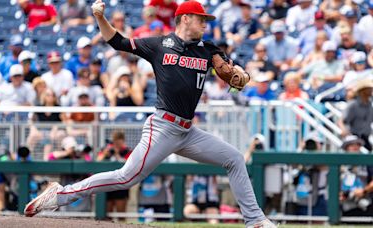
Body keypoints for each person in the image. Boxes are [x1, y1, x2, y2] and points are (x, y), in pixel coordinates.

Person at [24, 1, 275, 227]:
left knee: (234, 159)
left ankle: (255, 221)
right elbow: (118, 42)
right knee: (126, 177)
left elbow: (234, 74)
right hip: (163, 127)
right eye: (201, 19)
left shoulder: (208, 50)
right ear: (185, 18)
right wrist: (101, 18)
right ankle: (60, 194)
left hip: (188, 131)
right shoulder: (159, 45)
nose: (204, 24)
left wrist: (241, 77)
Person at [97, 130, 132, 220]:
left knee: (121, 215)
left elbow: (128, 165)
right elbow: (97, 161)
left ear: (122, 140)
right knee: (107, 216)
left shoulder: (127, 151)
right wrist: (105, 154)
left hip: (121, 185)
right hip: (107, 184)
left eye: (118, 142)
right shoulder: (107, 149)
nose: (116, 145)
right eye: (115, 142)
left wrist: (117, 154)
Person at [340, 135, 373, 216]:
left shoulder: (367, 163)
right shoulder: (340, 164)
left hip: (365, 203)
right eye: (351, 144)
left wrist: (364, 191)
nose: (355, 147)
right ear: (346, 147)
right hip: (345, 205)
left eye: (357, 144)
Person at [339, 79, 373, 151]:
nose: (371, 90)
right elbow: (342, 120)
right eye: (369, 89)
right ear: (363, 90)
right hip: (354, 138)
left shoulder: (370, 105)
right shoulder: (353, 104)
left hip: (365, 137)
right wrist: (344, 131)